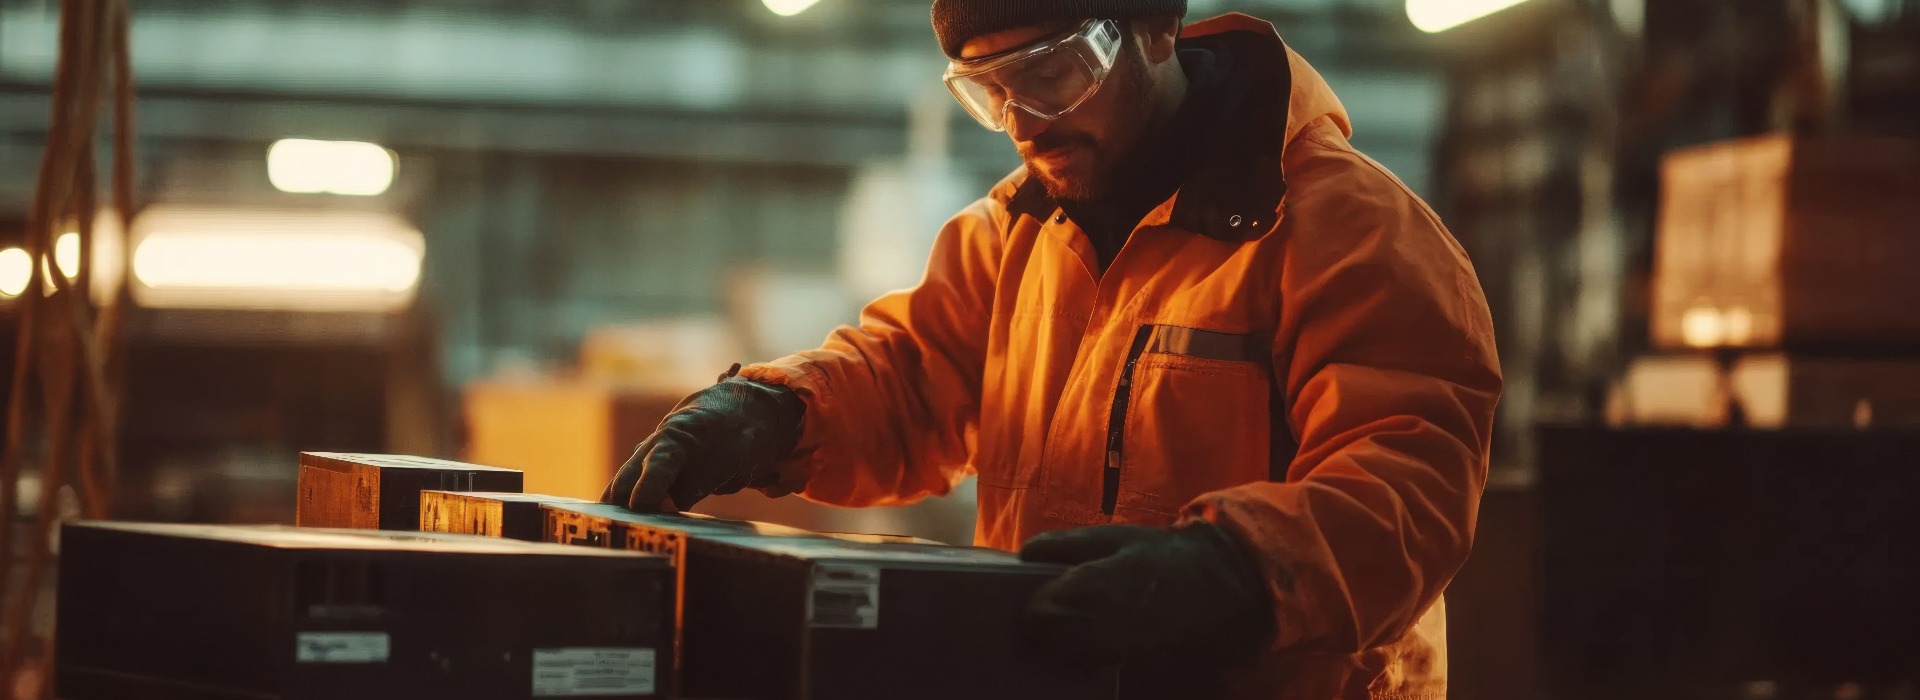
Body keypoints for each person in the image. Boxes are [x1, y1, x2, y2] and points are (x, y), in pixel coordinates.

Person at [602, 1, 1501, 697]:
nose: (1024, 121)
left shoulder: (1348, 234)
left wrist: (1231, 576)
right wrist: (779, 410)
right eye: (988, 91)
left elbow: (1408, 487)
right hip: (1058, 678)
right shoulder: (1014, 231)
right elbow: (910, 379)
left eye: (1054, 73)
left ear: (1156, 25)